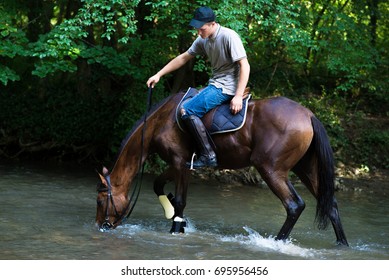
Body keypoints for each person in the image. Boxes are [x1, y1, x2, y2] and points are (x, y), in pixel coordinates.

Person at [147, 6, 250, 169]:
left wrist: (237, 96)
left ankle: (208, 155)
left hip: (226, 87)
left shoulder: (229, 36)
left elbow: (245, 66)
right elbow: (184, 57)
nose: (198, 32)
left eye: (201, 29)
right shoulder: (203, 39)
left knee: (187, 110)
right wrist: (159, 74)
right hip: (215, 83)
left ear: (212, 24)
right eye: (197, 29)